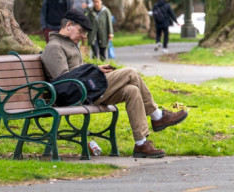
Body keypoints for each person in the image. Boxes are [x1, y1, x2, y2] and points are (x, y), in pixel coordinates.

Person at [40, 9, 188, 158]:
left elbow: (76, 71)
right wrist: (92, 69)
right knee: (130, 73)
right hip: (78, 94)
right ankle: (157, 116)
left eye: (85, 33)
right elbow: (63, 81)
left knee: (132, 90)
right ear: (69, 25)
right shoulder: (54, 47)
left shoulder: (70, 45)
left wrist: (95, 69)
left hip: (87, 90)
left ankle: (141, 144)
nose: (83, 36)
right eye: (81, 31)